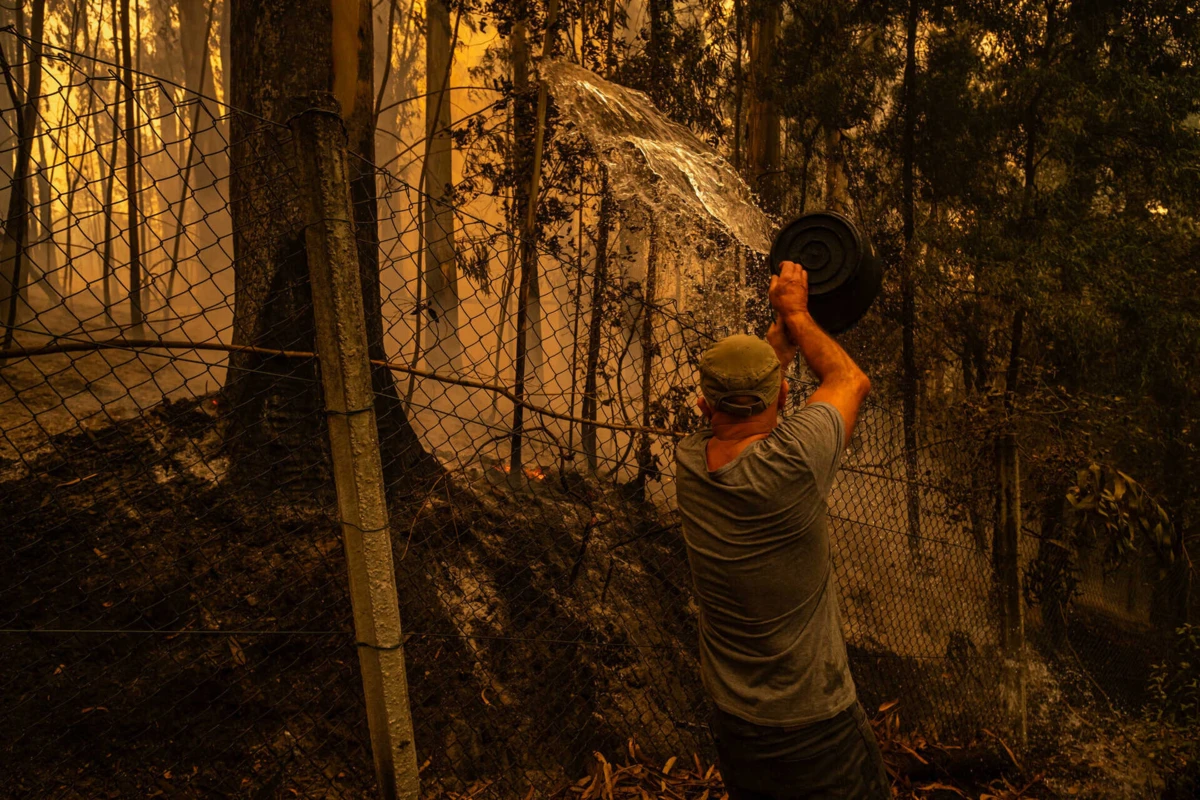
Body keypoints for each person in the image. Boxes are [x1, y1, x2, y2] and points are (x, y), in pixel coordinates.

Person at [674, 261, 887, 799]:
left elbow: (746, 405)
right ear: (785, 398)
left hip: (736, 722)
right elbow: (848, 379)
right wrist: (794, 311)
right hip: (815, 726)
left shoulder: (691, 460)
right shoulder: (793, 463)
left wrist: (779, 340)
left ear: (703, 406)